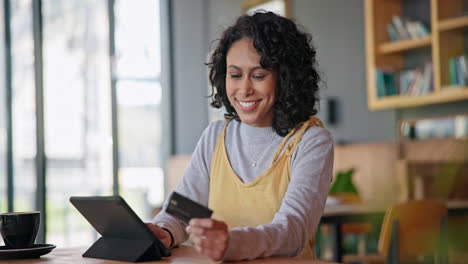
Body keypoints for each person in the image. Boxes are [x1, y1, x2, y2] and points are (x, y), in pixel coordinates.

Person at [147, 11, 333, 261]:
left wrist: (231, 243)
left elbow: (293, 231)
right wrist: (163, 232)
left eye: (258, 76)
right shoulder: (215, 136)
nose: (244, 89)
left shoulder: (311, 141)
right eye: (235, 75)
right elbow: (183, 212)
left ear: (285, 78)